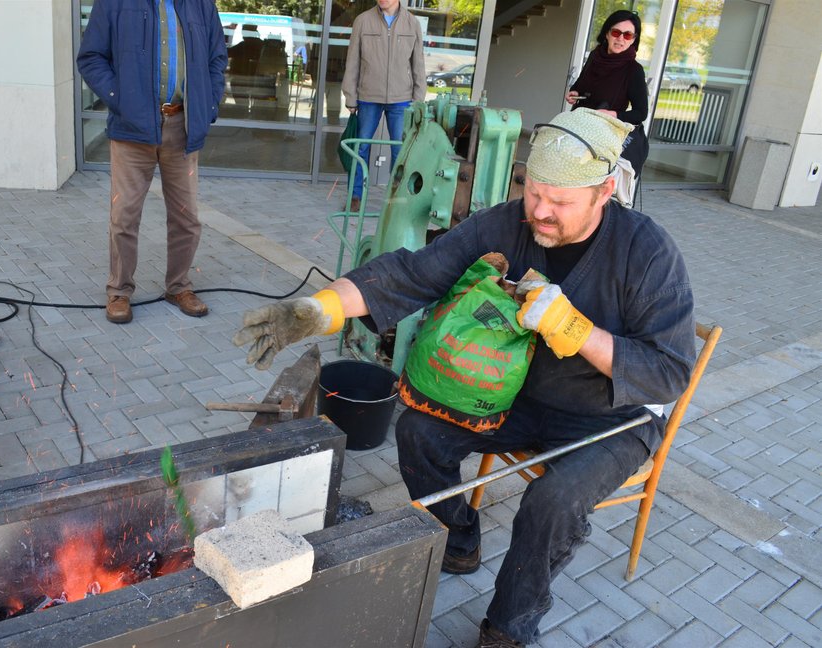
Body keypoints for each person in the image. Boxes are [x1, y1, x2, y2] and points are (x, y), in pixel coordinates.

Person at [233, 108, 696, 647]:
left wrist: (578, 331)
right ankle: (458, 535)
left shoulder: (648, 252)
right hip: (524, 398)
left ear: (605, 190)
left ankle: (508, 627)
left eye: (560, 203)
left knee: (552, 504)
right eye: (534, 193)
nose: (541, 213)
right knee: (417, 433)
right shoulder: (508, 223)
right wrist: (316, 311)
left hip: (611, 417)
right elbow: (413, 274)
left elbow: (671, 372)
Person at [77, 0, 227, 323]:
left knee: (187, 218)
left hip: (182, 127)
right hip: (132, 129)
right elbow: (91, 57)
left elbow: (217, 59)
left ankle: (178, 285)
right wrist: (121, 100)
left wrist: (208, 105)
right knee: (124, 215)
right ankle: (118, 290)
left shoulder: (201, 5)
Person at [342, 0, 426, 212]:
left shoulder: (412, 23)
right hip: (368, 96)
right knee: (360, 148)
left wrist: (418, 98)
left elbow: (418, 64)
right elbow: (352, 61)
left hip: (401, 99)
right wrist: (350, 96)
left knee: (400, 151)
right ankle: (355, 197)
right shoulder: (362, 21)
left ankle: (394, 201)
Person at [566, 10, 649, 181]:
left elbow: (641, 113)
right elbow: (580, 85)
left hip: (602, 139)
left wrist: (614, 114)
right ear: (607, 33)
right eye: (616, 33)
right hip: (577, 131)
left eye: (627, 35)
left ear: (634, 39)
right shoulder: (595, 57)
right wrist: (574, 93)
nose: (620, 39)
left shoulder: (634, 70)